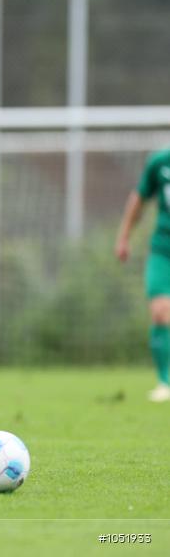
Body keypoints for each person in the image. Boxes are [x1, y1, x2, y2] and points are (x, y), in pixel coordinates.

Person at [115, 147, 170, 402]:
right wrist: (124, 236)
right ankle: (165, 382)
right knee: (160, 311)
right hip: (163, 250)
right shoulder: (160, 163)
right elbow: (139, 199)